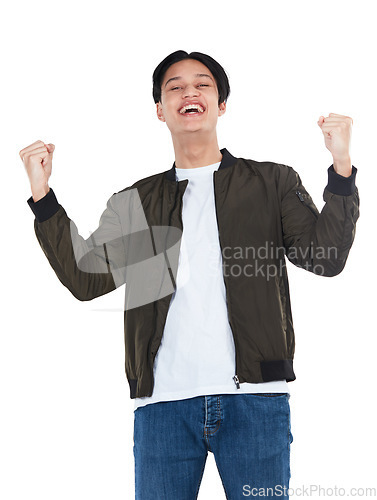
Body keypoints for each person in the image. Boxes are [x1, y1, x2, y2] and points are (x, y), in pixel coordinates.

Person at [20, 50, 360, 499]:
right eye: (175, 87)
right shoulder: (138, 201)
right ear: (160, 110)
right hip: (163, 406)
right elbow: (88, 279)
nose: (189, 93)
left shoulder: (271, 182)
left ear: (221, 104)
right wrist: (43, 196)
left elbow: (326, 257)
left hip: (255, 401)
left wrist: (341, 169)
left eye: (202, 84)